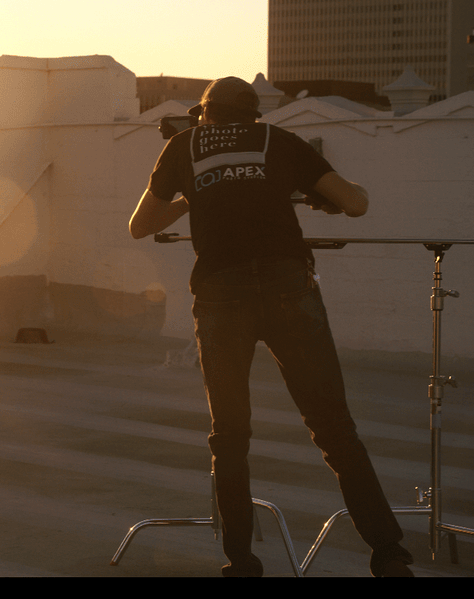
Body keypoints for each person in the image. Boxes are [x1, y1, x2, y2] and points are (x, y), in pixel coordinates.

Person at [128, 77, 414, 577]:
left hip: (220, 293)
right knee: (333, 426)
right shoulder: (278, 141)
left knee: (230, 435)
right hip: (289, 287)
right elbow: (355, 204)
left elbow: (140, 225)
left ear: (206, 115)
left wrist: (194, 197)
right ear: (254, 115)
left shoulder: (183, 145)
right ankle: (388, 553)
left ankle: (241, 562)